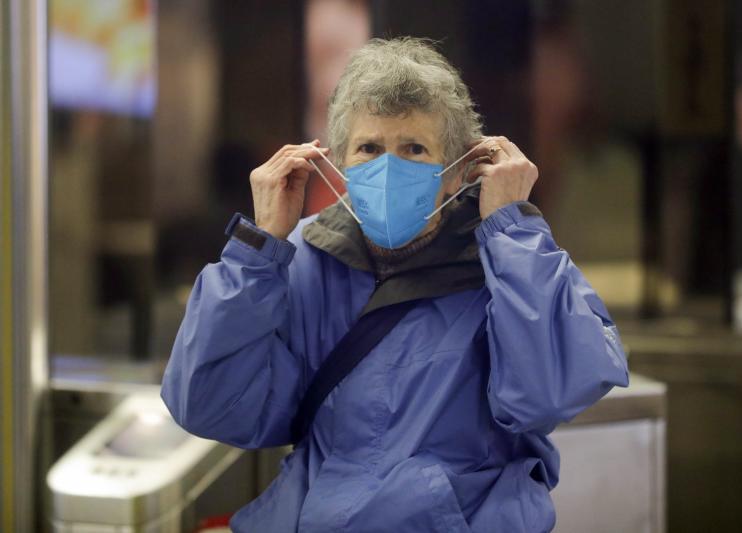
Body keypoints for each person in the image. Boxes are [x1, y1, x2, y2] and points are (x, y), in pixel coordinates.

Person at [161, 37, 629, 532]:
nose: (389, 169)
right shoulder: (301, 258)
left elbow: (550, 394)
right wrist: (256, 254)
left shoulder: (509, 262)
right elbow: (208, 407)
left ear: (457, 172)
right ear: (339, 165)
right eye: (369, 148)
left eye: (414, 149)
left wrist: (512, 228)